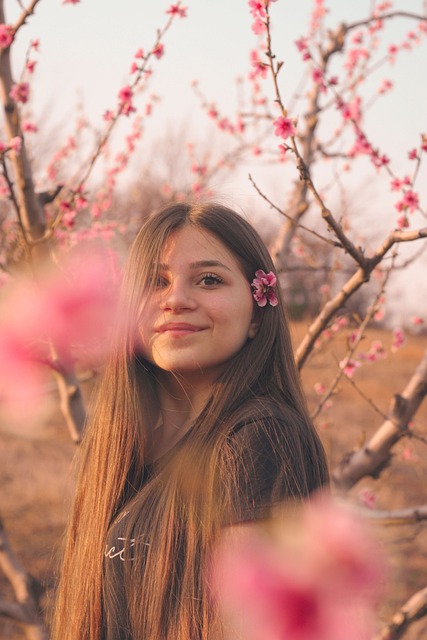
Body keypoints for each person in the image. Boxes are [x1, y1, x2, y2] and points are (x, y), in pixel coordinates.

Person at [52, 201, 329, 640]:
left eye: (209, 280)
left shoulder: (261, 438)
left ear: (258, 312)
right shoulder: (129, 449)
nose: (176, 299)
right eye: (155, 282)